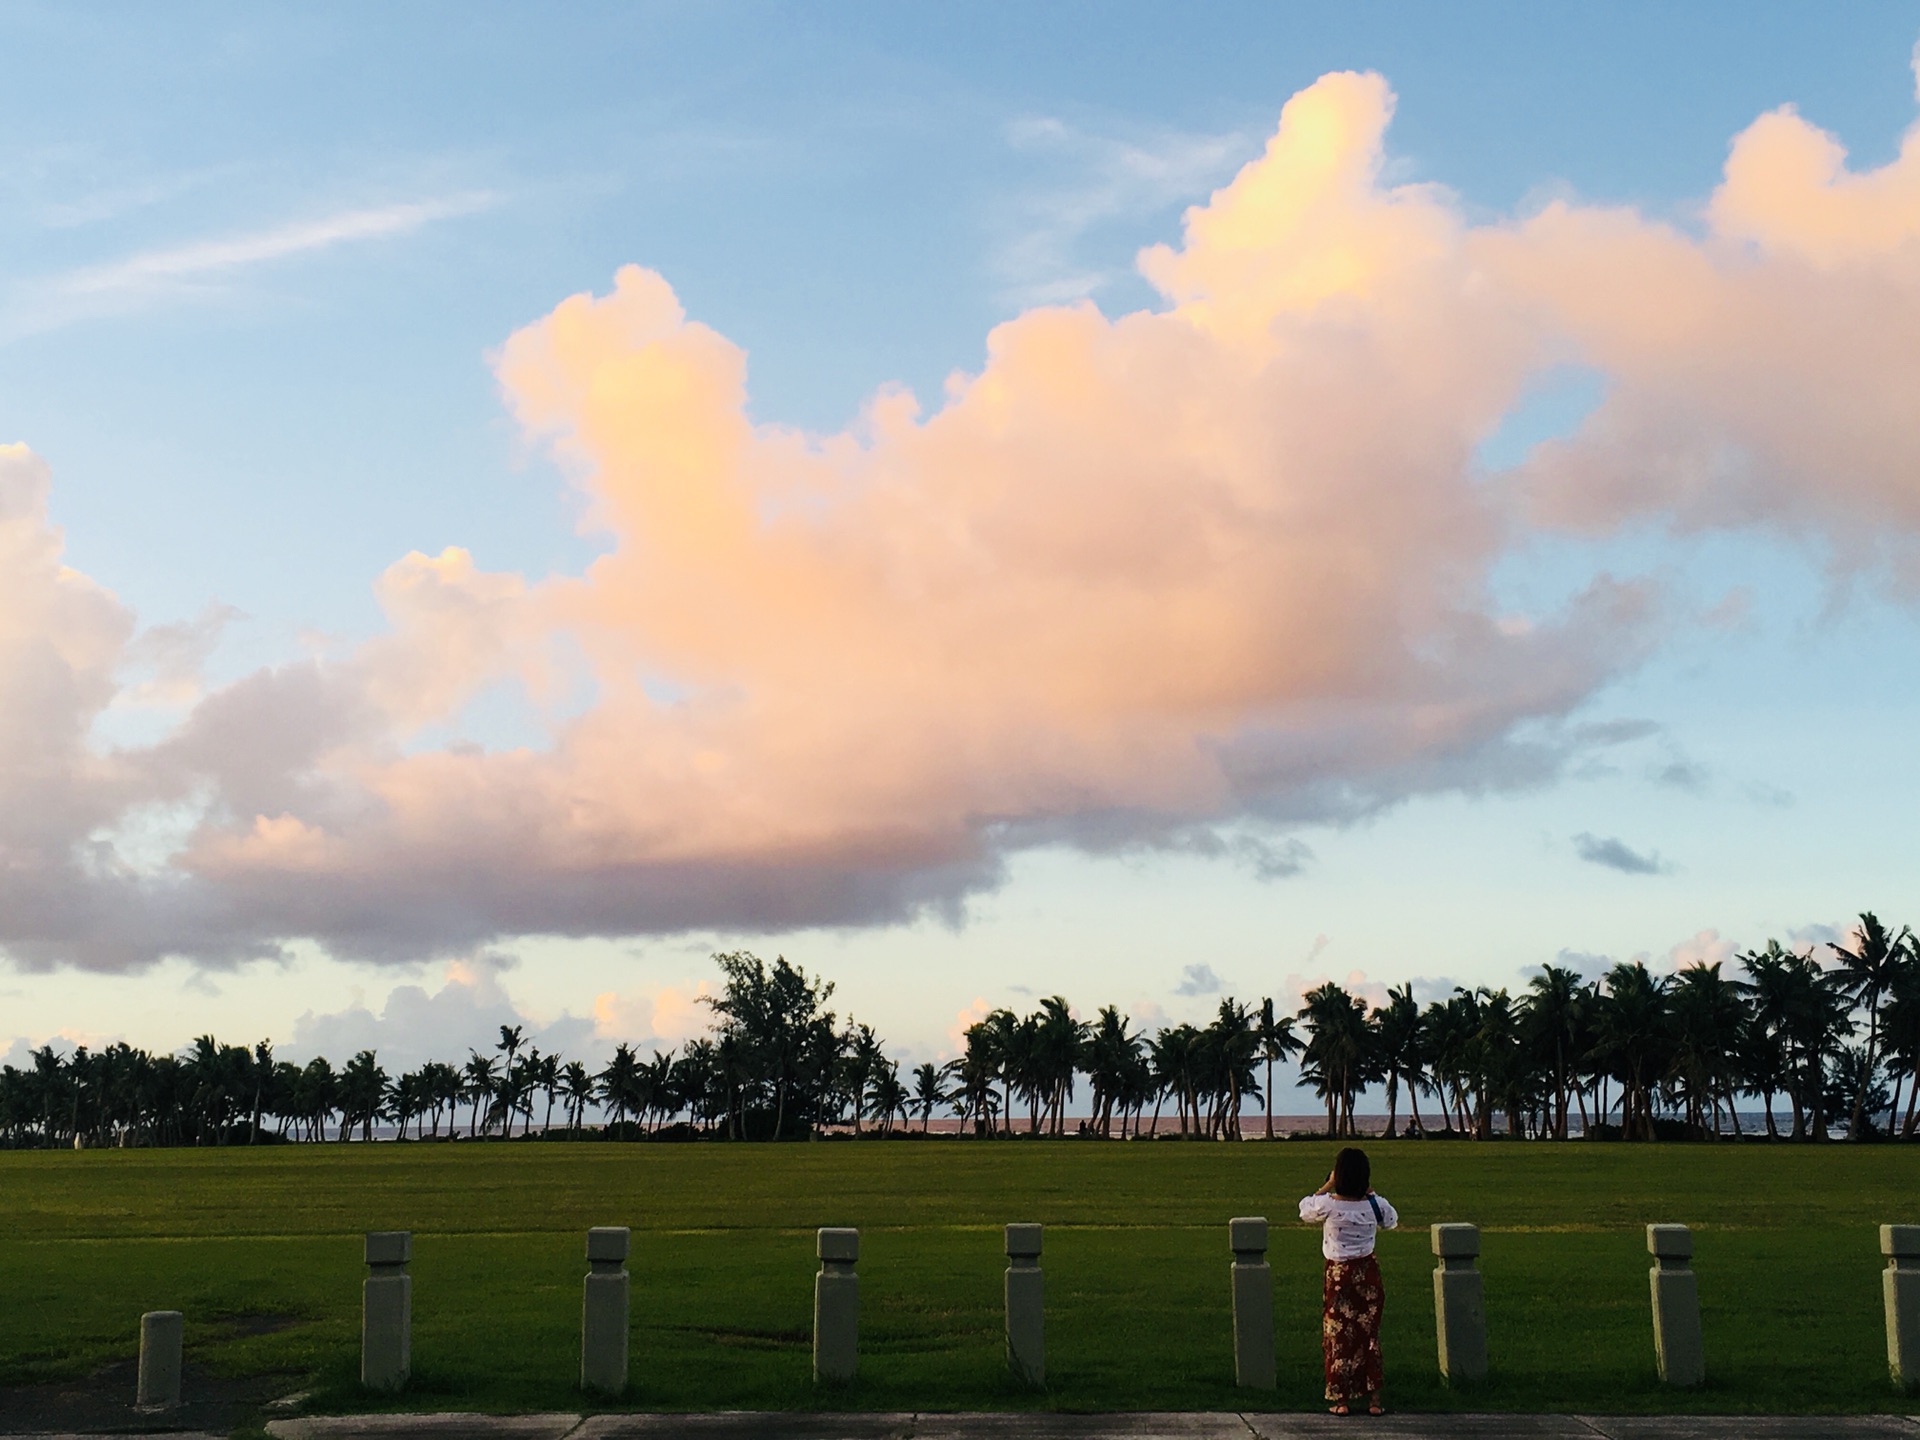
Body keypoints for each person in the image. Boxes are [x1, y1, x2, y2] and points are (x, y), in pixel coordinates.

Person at [1299, 1146, 1398, 1416]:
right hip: (1367, 1272)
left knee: (1339, 1335)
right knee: (1368, 1335)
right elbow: (1391, 1221)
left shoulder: (1328, 1204)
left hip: (1338, 1274)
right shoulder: (1373, 1205)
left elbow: (1304, 1209)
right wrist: (1372, 1193)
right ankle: (1374, 1400)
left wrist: (1327, 1184)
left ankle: (1341, 1399)